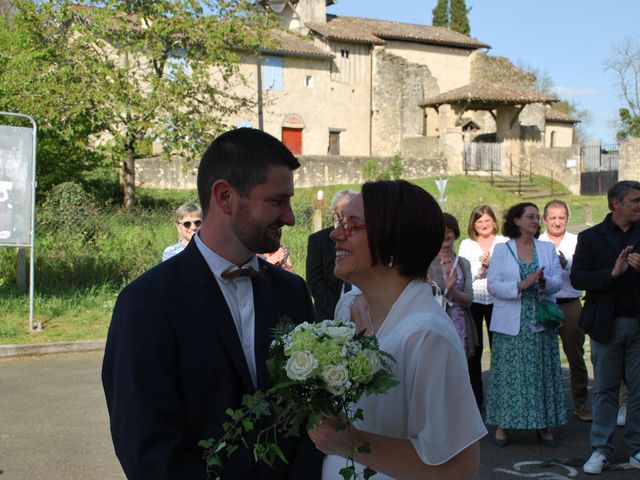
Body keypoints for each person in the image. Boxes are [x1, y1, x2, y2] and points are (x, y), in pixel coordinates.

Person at [102, 128, 323, 479]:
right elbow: (145, 446)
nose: (290, 217)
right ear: (225, 197)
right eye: (277, 201)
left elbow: (312, 419)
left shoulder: (292, 293)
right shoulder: (147, 303)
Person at [308, 180, 486, 479]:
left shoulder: (427, 336)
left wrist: (351, 442)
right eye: (339, 222)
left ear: (393, 241)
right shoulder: (349, 308)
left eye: (352, 225)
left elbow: (461, 468)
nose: (335, 234)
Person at [570, 180, 640, 475]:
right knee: (605, 389)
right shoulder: (591, 237)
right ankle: (601, 449)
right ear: (616, 203)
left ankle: (637, 449)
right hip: (605, 325)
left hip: (638, 323)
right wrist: (611, 273)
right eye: (635, 201)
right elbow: (578, 279)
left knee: (638, 392)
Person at [485, 202, 566, 447]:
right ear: (516, 220)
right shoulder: (502, 249)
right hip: (511, 324)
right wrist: (520, 285)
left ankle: (543, 424)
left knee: (541, 374)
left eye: (537, 217)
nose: (536, 221)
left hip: (540, 321)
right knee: (510, 376)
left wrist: (541, 283)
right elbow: (493, 285)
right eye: (530, 217)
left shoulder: (546, 248)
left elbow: (558, 283)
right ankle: (503, 425)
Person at [539, 199, 593, 422]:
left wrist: (566, 265)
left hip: (570, 303)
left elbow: (585, 271)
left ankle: (580, 404)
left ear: (567, 219)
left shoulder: (577, 241)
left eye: (561, 218)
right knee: (542, 357)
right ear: (545, 219)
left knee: (575, 356)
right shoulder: (537, 242)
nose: (557, 222)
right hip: (545, 304)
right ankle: (544, 408)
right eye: (553, 218)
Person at [458, 205, 507, 409]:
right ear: (474, 225)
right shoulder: (467, 245)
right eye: (479, 222)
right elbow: (464, 276)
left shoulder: (504, 243)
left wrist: (493, 268)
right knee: (474, 352)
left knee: (500, 350)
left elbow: (509, 272)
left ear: (494, 222)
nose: (484, 225)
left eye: (487, 220)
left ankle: (500, 399)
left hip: (498, 301)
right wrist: (482, 270)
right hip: (475, 300)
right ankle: (476, 401)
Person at [427, 212, 477, 358]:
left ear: (455, 234)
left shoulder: (463, 263)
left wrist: (452, 290)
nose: (445, 235)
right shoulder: (426, 263)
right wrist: (445, 287)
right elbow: (422, 295)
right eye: (441, 231)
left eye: (449, 231)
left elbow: (469, 300)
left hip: (459, 323)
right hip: (435, 323)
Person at [306, 189, 357, 319]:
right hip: (328, 314)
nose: (346, 220)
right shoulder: (318, 240)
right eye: (342, 215)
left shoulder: (362, 238)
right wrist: (339, 310)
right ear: (334, 214)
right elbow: (314, 281)